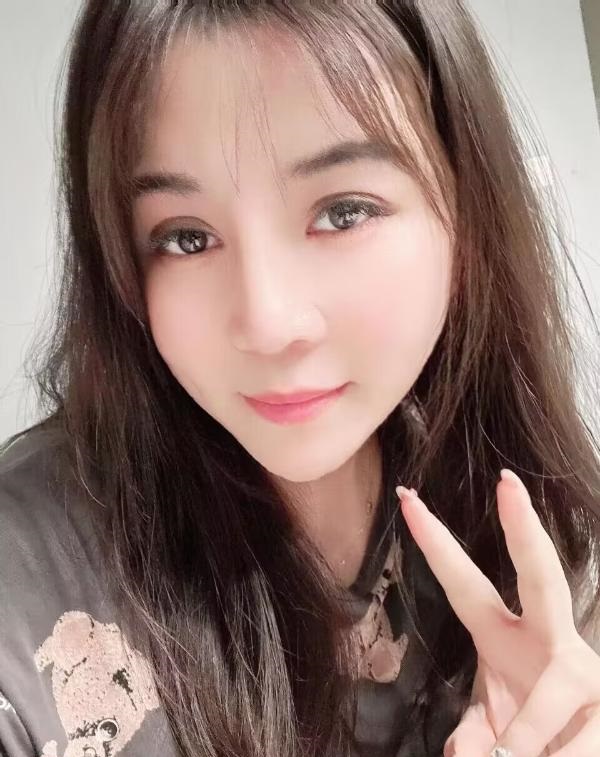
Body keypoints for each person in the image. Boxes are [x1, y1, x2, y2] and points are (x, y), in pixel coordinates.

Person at [1, 1, 599, 755]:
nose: (267, 322)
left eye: (343, 212)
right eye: (186, 238)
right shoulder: (28, 591)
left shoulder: (518, 511)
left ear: (465, 211)